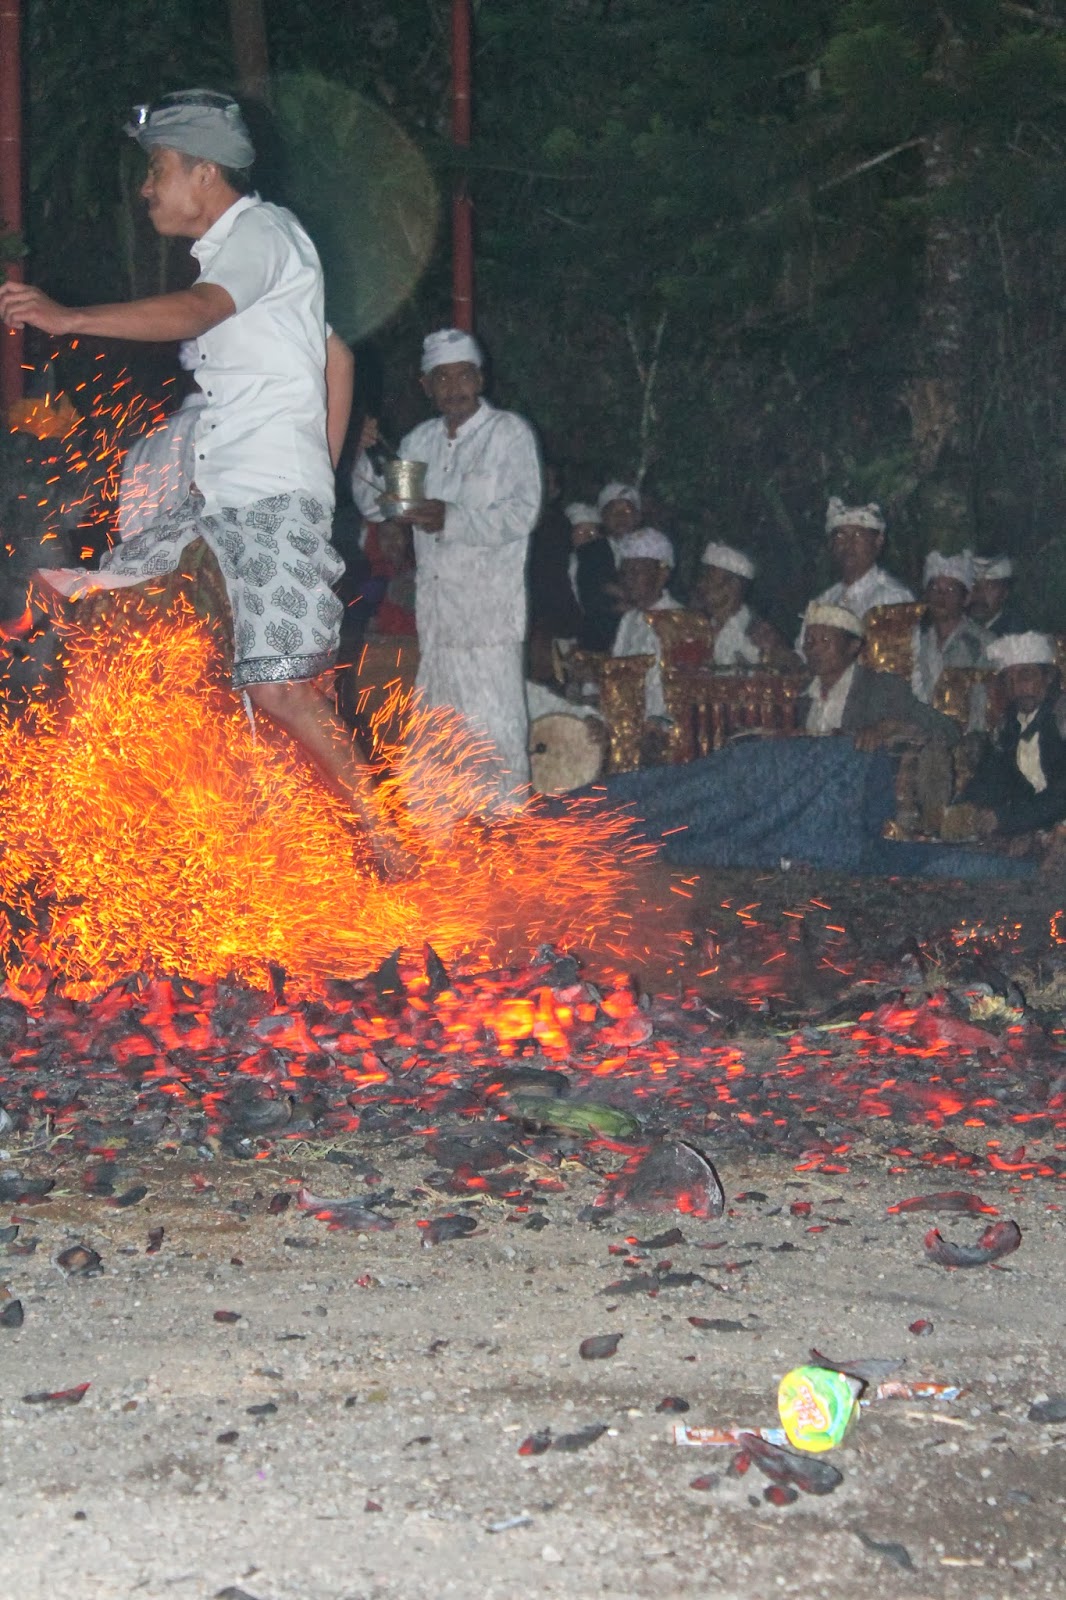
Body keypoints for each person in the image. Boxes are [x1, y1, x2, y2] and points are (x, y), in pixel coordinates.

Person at [0, 90, 399, 860]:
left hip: (267, 502)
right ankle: (129, 818)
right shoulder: (254, 255)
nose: (146, 188)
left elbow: (197, 311)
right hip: (214, 498)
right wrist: (321, 464)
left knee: (279, 690)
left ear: (205, 173)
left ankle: (389, 848)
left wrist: (69, 317)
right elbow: (337, 357)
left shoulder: (262, 231)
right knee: (77, 595)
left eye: (157, 170)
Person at [352, 328, 542, 807]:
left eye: (463, 375)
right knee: (437, 732)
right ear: (425, 386)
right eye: (443, 378)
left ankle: (504, 836)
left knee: (494, 727)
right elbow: (381, 508)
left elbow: (523, 512)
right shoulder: (420, 441)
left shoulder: (508, 434)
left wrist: (451, 518)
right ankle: (435, 843)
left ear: (480, 378)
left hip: (489, 615)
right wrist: (364, 452)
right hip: (437, 618)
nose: (454, 387)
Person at [801, 602, 958, 748]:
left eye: (825, 640)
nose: (814, 649)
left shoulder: (881, 689)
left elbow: (948, 730)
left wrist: (896, 728)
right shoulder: (799, 696)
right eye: (809, 641)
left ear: (853, 646)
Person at [955, 632, 1066, 839]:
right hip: (1034, 829)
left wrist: (1007, 818)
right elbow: (992, 777)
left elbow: (1061, 795)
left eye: (1026, 676)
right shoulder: (1010, 726)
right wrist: (964, 808)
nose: (1017, 688)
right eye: (1009, 680)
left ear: (1048, 677)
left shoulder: (1062, 720)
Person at [610, 526, 680, 723]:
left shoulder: (680, 621)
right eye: (625, 572)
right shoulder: (629, 619)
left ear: (662, 574)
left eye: (637, 571)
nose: (628, 579)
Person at [695, 541, 794, 668]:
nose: (700, 585)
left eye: (709, 578)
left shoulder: (761, 634)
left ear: (733, 586)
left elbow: (791, 673)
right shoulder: (696, 627)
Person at [911, 551, 990, 705]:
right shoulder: (916, 640)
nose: (941, 597)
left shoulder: (982, 644)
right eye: (934, 589)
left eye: (951, 590)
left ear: (966, 598)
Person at [566, 502, 619, 652]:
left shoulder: (609, 556)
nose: (587, 537)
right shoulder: (566, 563)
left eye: (592, 532)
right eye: (581, 533)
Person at [968, 556, 1025, 637]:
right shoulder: (956, 626)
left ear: (1004, 593)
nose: (980, 593)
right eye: (974, 584)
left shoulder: (1014, 635)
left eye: (990, 586)